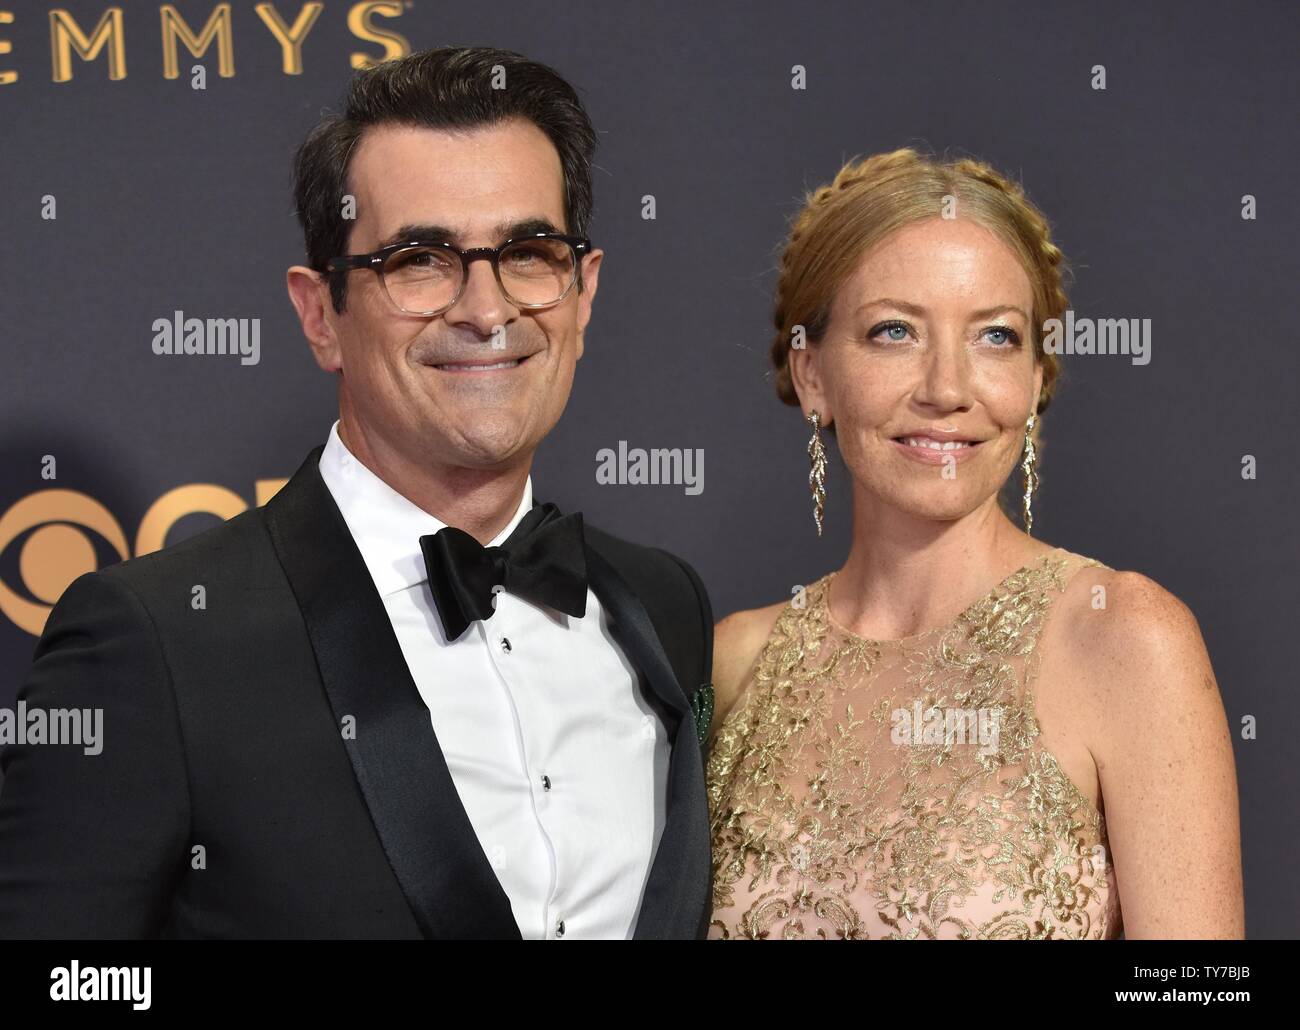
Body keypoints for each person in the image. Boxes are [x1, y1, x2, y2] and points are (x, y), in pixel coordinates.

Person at [0, 46, 714, 940]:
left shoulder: (663, 606)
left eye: (529, 253)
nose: (486, 311)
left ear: (584, 291)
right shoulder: (156, 644)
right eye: (422, 260)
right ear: (320, 314)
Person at [704, 148, 1244, 940]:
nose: (948, 389)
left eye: (995, 337)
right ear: (813, 371)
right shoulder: (733, 663)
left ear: (1033, 382)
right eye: (893, 332)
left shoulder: (1123, 637)